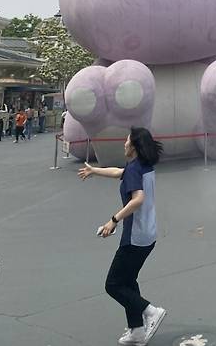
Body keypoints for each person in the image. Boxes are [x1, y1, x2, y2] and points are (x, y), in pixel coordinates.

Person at [78, 127, 166, 345]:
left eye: (127, 142)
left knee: (114, 285)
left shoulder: (135, 169)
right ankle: (136, 330)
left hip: (136, 237)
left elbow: (138, 199)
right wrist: (95, 170)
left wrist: (113, 220)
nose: (124, 144)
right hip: (148, 233)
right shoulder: (142, 166)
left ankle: (150, 311)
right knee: (128, 280)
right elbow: (121, 173)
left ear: (134, 147)